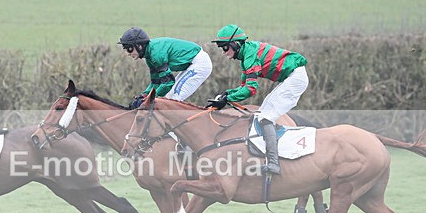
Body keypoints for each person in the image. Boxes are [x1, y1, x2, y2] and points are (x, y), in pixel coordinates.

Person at [208, 24, 309, 175]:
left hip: (295, 78)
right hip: (291, 77)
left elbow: (251, 90)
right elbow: (244, 87)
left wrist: (227, 98)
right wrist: (226, 94)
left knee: (265, 117)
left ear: (235, 44)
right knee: (262, 114)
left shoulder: (249, 55)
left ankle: (274, 163)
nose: (223, 52)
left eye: (225, 47)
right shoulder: (246, 55)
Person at [118, 27, 212, 109]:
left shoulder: (156, 54)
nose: (128, 53)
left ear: (139, 46)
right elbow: (156, 82)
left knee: (172, 100)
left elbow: (168, 83)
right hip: (192, 63)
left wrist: (149, 99)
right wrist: (144, 95)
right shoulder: (149, 57)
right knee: (168, 98)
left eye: (129, 49)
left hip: (200, 63)